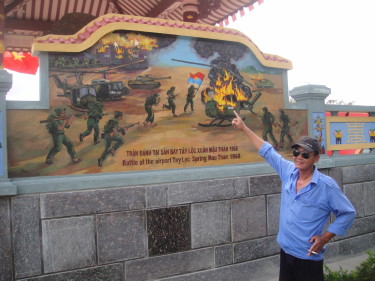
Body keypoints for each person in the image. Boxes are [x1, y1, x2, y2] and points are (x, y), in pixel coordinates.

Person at [231, 110, 355, 281]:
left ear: (316, 158)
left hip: (307, 258)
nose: (299, 157)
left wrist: (325, 238)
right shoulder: (289, 172)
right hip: (286, 253)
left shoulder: (326, 186)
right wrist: (244, 127)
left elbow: (348, 213)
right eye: (297, 152)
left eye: (305, 154)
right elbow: (267, 150)